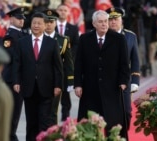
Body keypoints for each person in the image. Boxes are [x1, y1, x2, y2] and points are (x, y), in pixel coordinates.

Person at [74, 10, 130, 139]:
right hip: (90, 89)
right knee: (89, 123)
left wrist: (123, 82)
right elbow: (78, 65)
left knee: (113, 123)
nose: (104, 24)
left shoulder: (119, 39)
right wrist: (78, 84)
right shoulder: (84, 39)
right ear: (94, 24)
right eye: (100, 22)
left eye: (106, 21)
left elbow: (124, 64)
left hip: (112, 88)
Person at [13, 12, 63, 141]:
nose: (36, 25)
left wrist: (58, 85)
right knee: (31, 122)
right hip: (28, 88)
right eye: (34, 23)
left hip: (47, 88)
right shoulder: (21, 42)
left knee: (44, 121)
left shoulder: (52, 43)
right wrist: (16, 81)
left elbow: (57, 67)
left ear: (45, 25)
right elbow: (17, 64)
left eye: (39, 23)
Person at [106, 7, 140, 130]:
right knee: (109, 114)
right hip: (107, 81)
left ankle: (123, 135)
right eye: (110, 19)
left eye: (115, 19)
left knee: (126, 111)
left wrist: (135, 80)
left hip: (125, 80)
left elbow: (135, 59)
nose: (113, 22)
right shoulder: (103, 36)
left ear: (121, 20)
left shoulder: (130, 36)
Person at [43, 9, 74, 123]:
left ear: (55, 23)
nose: (49, 24)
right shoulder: (37, 38)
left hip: (56, 80)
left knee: (52, 111)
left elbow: (68, 62)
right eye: (46, 22)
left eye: (51, 22)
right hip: (39, 78)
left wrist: (70, 81)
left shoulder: (63, 40)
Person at [2, 7, 28, 141]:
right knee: (13, 112)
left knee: (16, 111)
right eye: (18, 19)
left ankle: (11, 135)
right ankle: (10, 136)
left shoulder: (22, 34)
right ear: (11, 19)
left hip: (19, 78)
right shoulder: (9, 36)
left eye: (22, 19)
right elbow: (9, 55)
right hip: (12, 79)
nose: (21, 21)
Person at [56, 3, 79, 121]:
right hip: (53, 65)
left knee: (65, 93)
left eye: (65, 10)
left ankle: (65, 116)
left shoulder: (73, 28)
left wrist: (68, 57)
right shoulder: (50, 26)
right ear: (56, 11)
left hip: (66, 65)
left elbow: (76, 45)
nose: (62, 12)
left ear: (68, 12)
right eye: (60, 10)